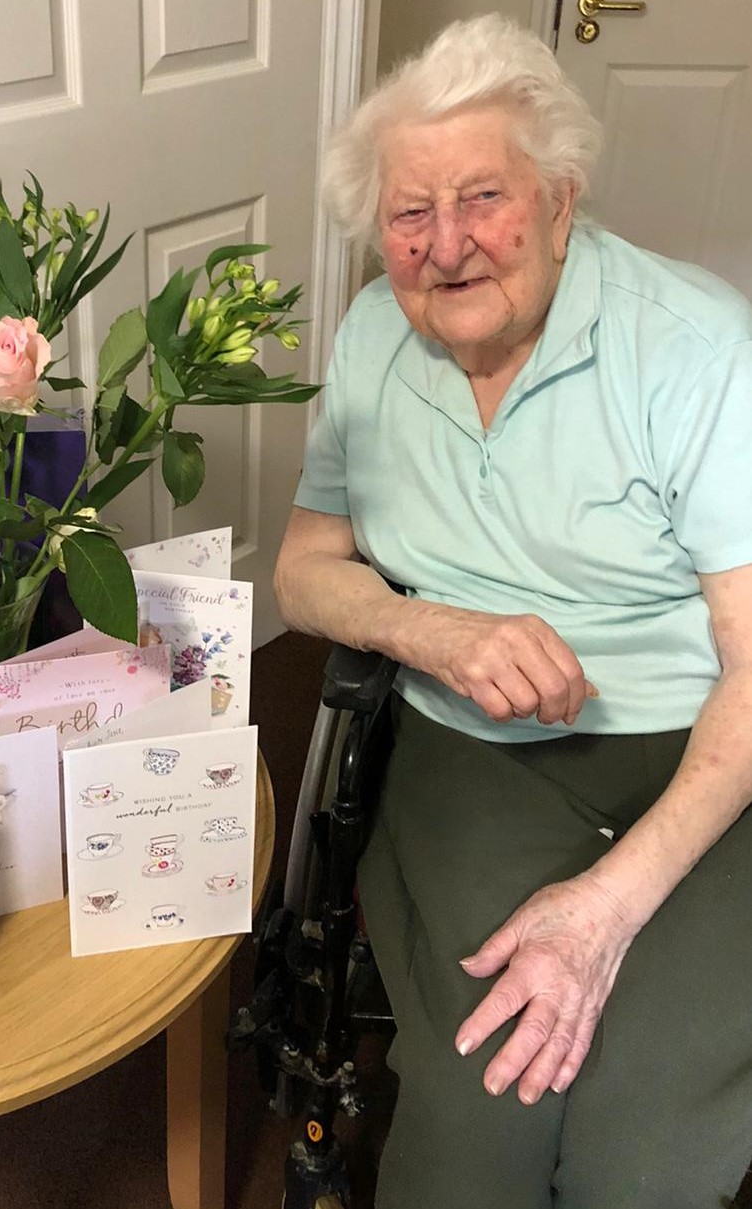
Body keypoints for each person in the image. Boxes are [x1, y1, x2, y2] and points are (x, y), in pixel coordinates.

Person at [274, 14, 752, 1209]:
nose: (445, 246)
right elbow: (304, 570)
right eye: (409, 213)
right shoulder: (374, 336)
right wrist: (433, 631)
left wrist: (603, 910)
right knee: (484, 1108)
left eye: (481, 198)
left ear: (559, 198)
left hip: (707, 760)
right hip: (477, 753)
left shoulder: (695, 350)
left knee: (647, 1144)